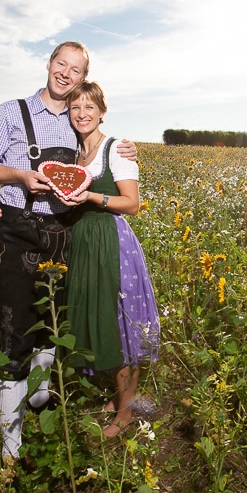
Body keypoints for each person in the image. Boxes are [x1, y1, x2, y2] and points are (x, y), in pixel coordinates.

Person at [0, 41, 136, 462]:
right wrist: (17, 182)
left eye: (76, 70)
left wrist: (124, 149)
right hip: (18, 230)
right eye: (61, 64)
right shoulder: (12, 111)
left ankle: (41, 405)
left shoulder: (76, 123)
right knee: (14, 330)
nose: (66, 73)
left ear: (84, 79)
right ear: (49, 64)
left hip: (65, 233)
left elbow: (99, 167)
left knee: (51, 322)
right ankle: (11, 448)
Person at [53, 81, 160, 439]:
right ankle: (119, 398)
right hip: (85, 241)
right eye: (75, 108)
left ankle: (126, 412)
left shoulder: (116, 150)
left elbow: (132, 203)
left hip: (110, 242)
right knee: (99, 319)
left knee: (120, 326)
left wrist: (90, 196)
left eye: (89, 107)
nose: (82, 114)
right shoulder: (74, 153)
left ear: (101, 111)